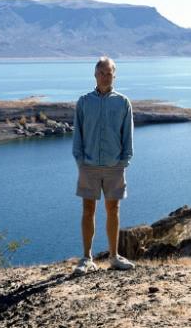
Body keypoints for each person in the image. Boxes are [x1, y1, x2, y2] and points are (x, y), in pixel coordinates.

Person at [72, 56, 135, 274]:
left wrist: (123, 162)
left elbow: (127, 135)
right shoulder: (84, 102)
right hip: (88, 166)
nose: (105, 77)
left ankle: (114, 257)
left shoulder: (123, 102)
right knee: (88, 209)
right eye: (101, 73)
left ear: (114, 75)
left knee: (113, 209)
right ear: (95, 75)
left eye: (109, 73)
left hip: (114, 167)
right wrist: (80, 160)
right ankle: (86, 258)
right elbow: (77, 134)